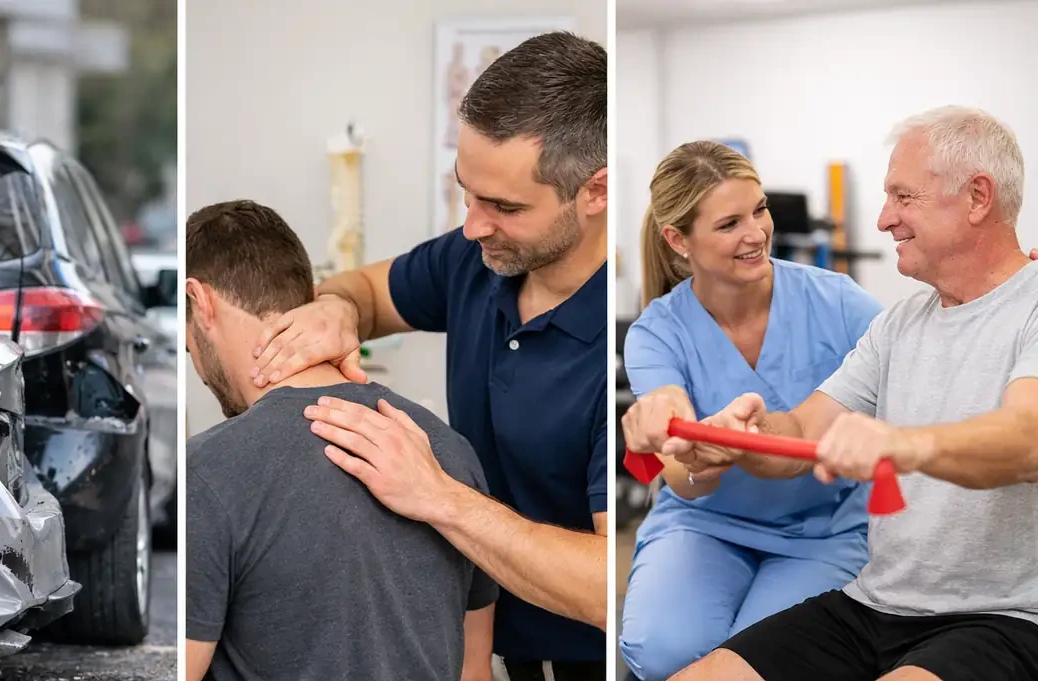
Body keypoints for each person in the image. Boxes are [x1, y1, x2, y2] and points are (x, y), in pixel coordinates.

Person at [252, 31, 609, 679]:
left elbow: (610, 586)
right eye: (466, 192)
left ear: (595, 192)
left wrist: (437, 495)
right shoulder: (474, 259)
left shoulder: (621, 349)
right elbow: (362, 289)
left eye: (503, 206)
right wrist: (337, 308)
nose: (472, 224)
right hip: (482, 637)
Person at [664, 106, 1038, 681]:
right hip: (872, 606)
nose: (885, 218)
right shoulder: (898, 324)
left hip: (1002, 619)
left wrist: (901, 445)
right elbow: (805, 432)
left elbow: (1027, 441)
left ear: (978, 197)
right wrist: (739, 437)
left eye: (903, 196)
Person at [182, 200, 498, 681]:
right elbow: (474, 670)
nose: (193, 359)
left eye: (185, 342)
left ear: (199, 301)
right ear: (309, 296)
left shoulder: (207, 475)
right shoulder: (449, 452)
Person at [615, 141, 884, 681]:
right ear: (677, 239)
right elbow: (679, 462)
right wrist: (690, 450)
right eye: (729, 223)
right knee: (662, 651)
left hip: (822, 530)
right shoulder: (657, 332)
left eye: (758, 210)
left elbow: (918, 360)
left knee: (761, 660)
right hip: (705, 524)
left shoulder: (839, 302)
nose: (757, 232)